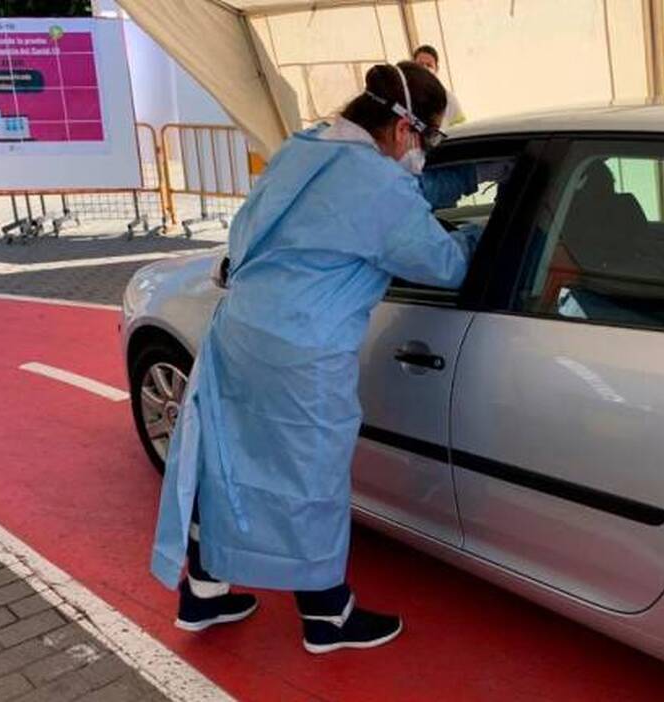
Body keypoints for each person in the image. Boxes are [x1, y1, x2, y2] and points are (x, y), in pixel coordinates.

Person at [150, 61, 481, 654]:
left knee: (230, 466)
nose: (425, 154)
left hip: (240, 334)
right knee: (310, 480)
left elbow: (366, 200)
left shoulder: (306, 149)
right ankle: (328, 616)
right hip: (303, 350)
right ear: (405, 131)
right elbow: (445, 264)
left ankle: (203, 592)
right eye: (429, 140)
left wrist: (454, 182)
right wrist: (490, 233)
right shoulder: (379, 188)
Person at [413, 44, 466, 127]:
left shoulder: (449, 99)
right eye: (420, 64)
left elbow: (461, 128)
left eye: (429, 65)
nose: (424, 69)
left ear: (436, 68)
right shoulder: (406, 97)